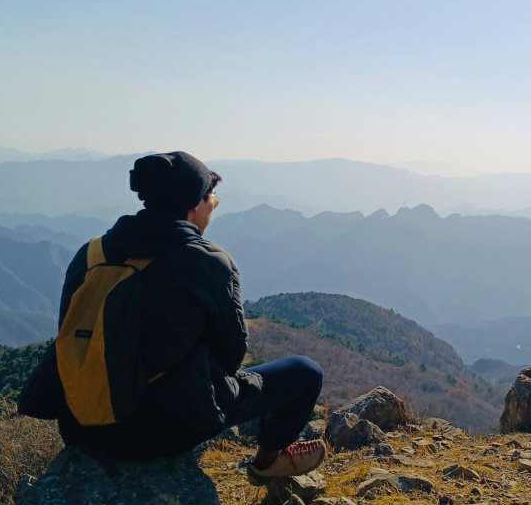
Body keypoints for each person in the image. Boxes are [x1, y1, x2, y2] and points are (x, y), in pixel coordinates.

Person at [18, 150, 326, 480]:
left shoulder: (91, 254)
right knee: (306, 373)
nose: (213, 206)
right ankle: (268, 464)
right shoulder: (209, 262)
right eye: (213, 199)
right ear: (195, 205)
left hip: (80, 428)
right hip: (159, 435)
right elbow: (231, 358)